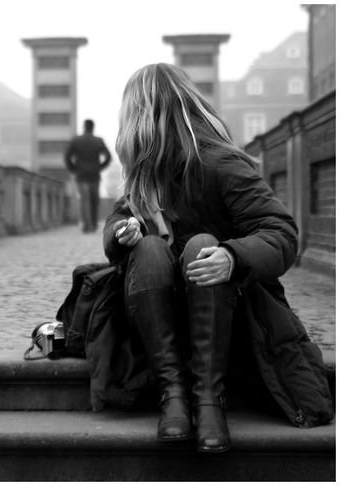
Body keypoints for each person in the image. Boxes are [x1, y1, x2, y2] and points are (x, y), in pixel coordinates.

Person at [103, 63, 333, 453]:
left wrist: (232, 256)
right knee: (148, 248)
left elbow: (282, 234)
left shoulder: (220, 163)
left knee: (203, 245)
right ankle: (172, 394)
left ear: (140, 115)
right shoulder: (145, 176)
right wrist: (121, 233)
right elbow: (115, 223)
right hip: (158, 323)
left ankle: (210, 399)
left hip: (224, 317)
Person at [64, 119, 112, 233]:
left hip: (81, 175)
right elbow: (108, 157)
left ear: (84, 127)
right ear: (92, 127)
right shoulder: (98, 141)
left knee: (85, 200)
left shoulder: (76, 140)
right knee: (94, 200)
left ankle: (87, 226)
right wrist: (100, 167)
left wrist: (73, 168)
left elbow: (67, 157)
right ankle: (93, 224)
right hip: (94, 175)